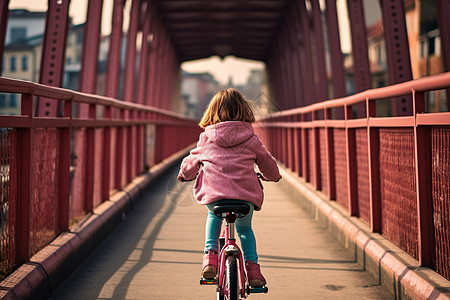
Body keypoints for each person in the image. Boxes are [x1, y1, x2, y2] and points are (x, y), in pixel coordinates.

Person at [177, 88, 281, 287]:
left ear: (212, 111)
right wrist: (274, 177)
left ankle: (210, 258)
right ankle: (254, 271)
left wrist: (184, 175)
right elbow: (267, 163)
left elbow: (192, 162)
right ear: (244, 110)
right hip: (245, 198)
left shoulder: (206, 137)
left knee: (213, 216)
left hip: (215, 197)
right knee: (245, 230)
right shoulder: (252, 138)